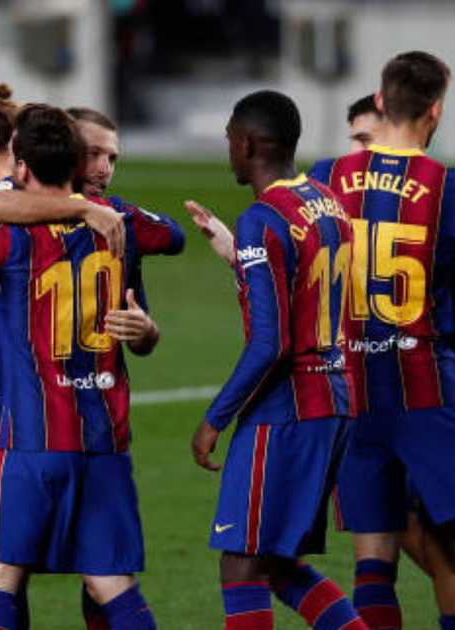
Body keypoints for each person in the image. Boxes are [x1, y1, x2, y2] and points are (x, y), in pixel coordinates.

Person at [0, 102, 183, 629]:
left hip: (26, 434)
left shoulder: (8, 233)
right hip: (102, 435)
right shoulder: (123, 223)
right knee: (110, 581)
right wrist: (90, 206)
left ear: (19, 167)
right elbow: (175, 235)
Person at [308, 51, 455, 628]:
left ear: (379, 102)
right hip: (427, 385)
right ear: (436, 111)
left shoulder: (324, 178)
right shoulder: (452, 187)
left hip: (351, 396)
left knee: (375, 558)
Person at [187, 90, 366, 630]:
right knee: (277, 562)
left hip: (288, 408)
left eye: (229, 141)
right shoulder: (327, 201)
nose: (228, 152)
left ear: (248, 143)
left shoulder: (263, 219)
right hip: (336, 398)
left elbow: (271, 343)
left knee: (241, 564)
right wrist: (236, 255)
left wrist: (214, 419)